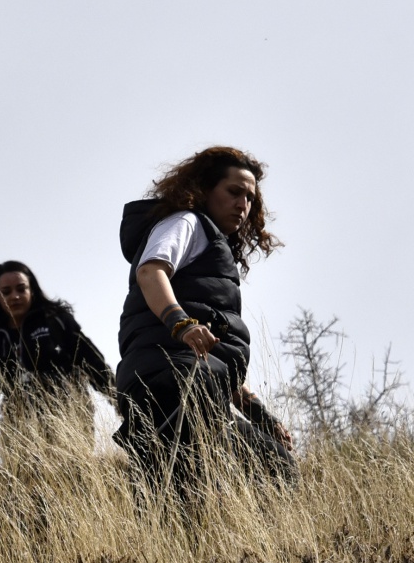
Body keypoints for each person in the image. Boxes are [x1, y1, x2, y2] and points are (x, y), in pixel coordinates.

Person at [112, 145, 295, 495]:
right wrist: (181, 323)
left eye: (250, 198)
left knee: (275, 465)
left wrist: (259, 414)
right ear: (204, 189)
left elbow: (210, 353)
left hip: (196, 379)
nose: (243, 204)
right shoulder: (186, 222)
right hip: (171, 378)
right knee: (180, 493)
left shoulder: (212, 250)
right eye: (234, 192)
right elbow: (151, 272)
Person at [0, 261, 114, 447]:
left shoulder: (56, 321)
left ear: (32, 290)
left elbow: (95, 366)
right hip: (18, 432)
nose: (15, 296)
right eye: (6, 292)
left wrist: (120, 400)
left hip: (69, 422)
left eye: (21, 289)